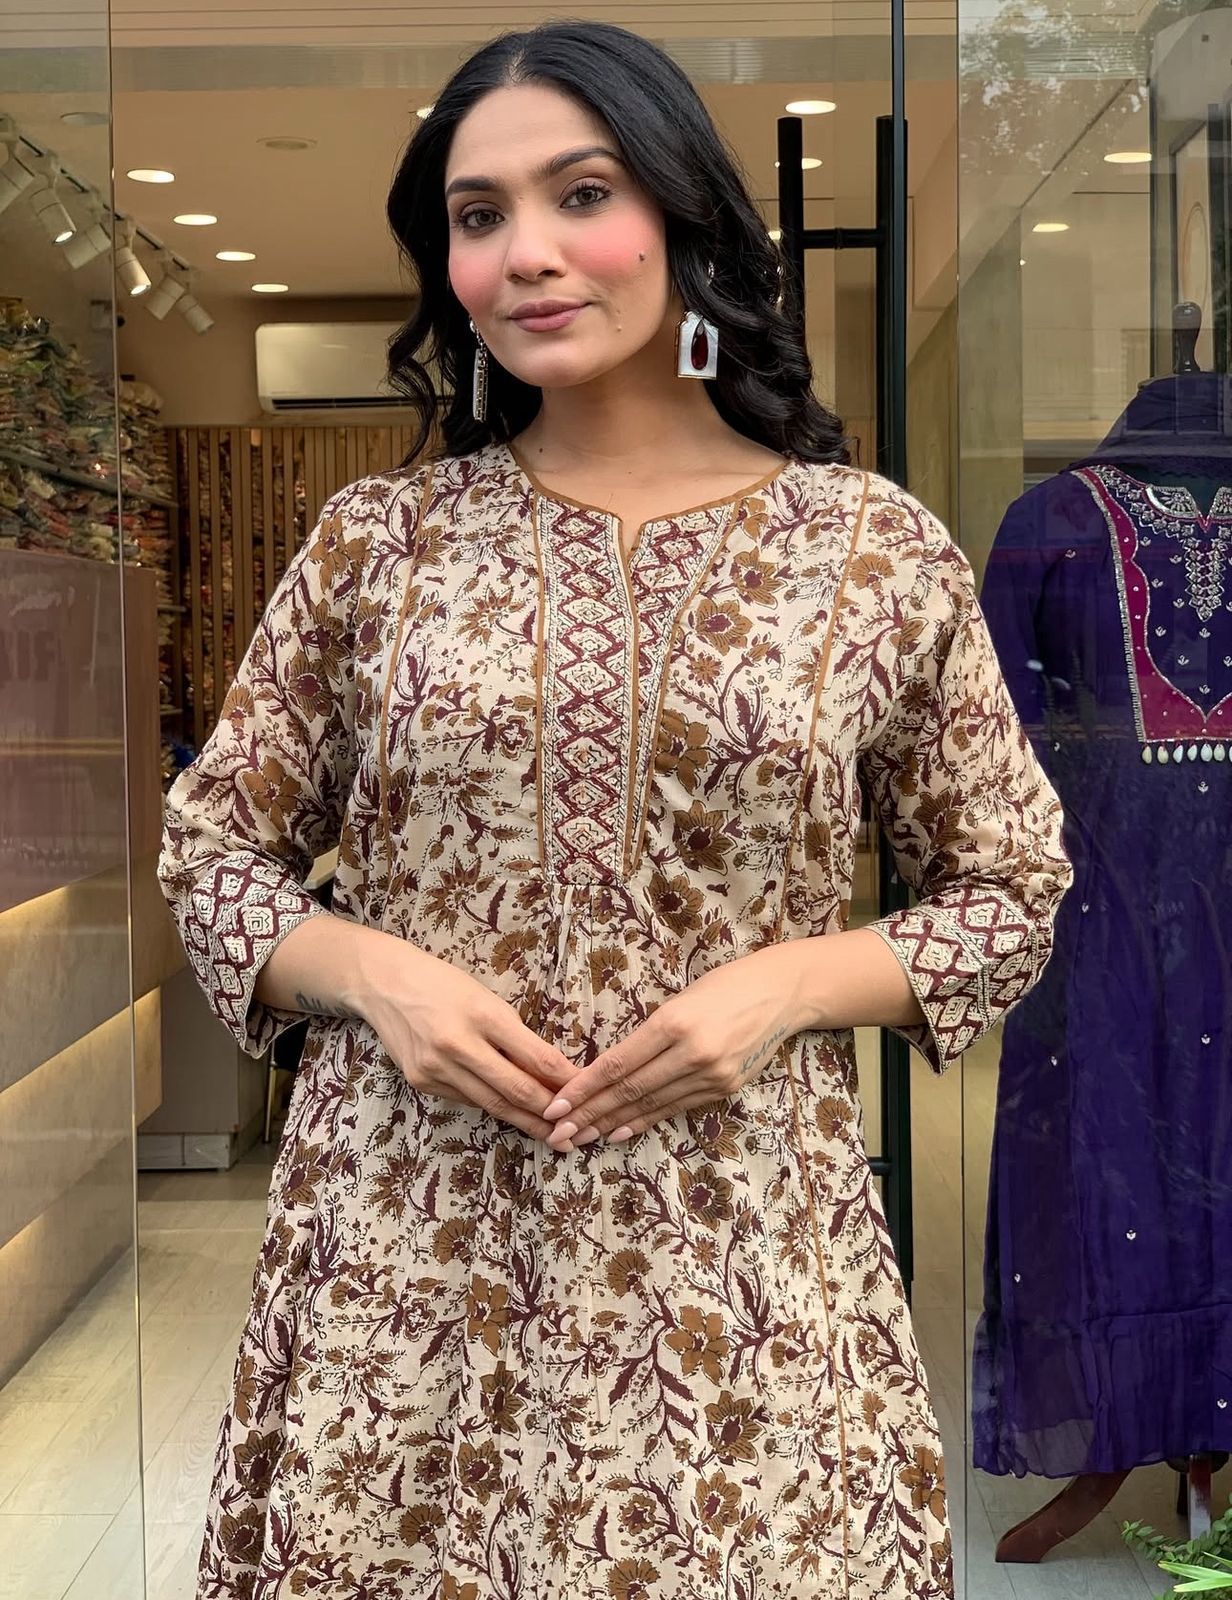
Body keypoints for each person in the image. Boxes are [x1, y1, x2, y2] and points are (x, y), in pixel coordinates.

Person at [158, 20, 1070, 1600]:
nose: (527, 252)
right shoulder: (378, 545)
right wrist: (372, 973)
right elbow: (211, 845)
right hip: (409, 1270)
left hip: (743, 1278)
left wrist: (790, 986)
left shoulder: (870, 550)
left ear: (684, 213)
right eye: (479, 215)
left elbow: (1012, 886)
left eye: (582, 194)